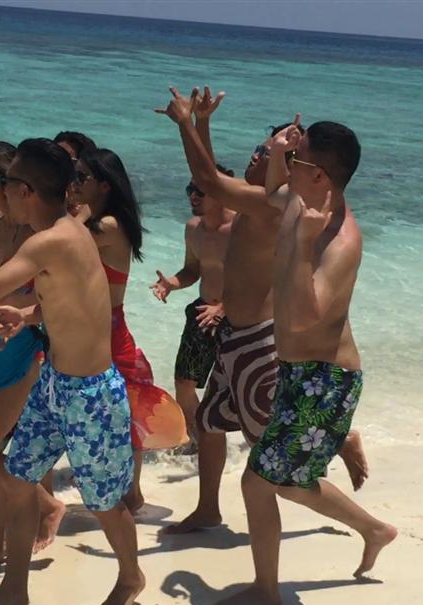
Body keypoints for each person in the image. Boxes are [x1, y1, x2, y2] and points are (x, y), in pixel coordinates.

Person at [157, 87, 368, 536]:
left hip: (258, 342)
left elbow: (211, 180)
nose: (259, 154)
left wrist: (188, 124)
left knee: (268, 459)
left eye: (268, 152)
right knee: (210, 423)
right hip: (232, 335)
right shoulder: (266, 200)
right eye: (262, 149)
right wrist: (202, 124)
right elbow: (213, 181)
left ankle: (353, 484)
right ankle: (209, 508)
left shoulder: (275, 207)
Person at [0, 138, 143, 605]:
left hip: (91, 394)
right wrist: (28, 315)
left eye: (9, 183)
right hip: (55, 384)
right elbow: (74, 300)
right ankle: (14, 589)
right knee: (19, 480)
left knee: (104, 502)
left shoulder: (51, 239)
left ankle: (130, 577)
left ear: (26, 191)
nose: (4, 191)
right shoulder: (66, 233)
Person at [216, 119, 397, 605]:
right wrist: (278, 152)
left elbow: (304, 315)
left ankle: (266, 590)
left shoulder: (341, 241)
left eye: (298, 158)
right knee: (290, 482)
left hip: (326, 380)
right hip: (299, 373)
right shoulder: (302, 201)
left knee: (258, 482)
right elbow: (271, 190)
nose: (289, 164)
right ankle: (375, 530)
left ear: (320, 176)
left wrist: (301, 244)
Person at [0, 141, 65, 572]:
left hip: (21, 344)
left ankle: (47, 505)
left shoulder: (36, 235)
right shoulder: (0, 222)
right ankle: (0, 540)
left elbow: (2, 292)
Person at [75, 148, 187, 513]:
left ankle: (129, 494)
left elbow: (61, 243)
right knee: (117, 416)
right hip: (99, 330)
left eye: (81, 177)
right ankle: (127, 493)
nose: (74, 184)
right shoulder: (100, 222)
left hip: (106, 334)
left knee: (121, 416)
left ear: (104, 185)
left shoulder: (106, 226)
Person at [150, 166, 235, 456]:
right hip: (202, 314)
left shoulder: (241, 228)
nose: (193, 196)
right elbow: (192, 269)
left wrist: (223, 307)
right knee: (184, 382)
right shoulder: (193, 228)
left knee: (240, 391)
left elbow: (261, 279)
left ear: (220, 192)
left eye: (200, 190)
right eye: (190, 190)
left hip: (239, 318)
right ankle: (199, 445)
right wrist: (171, 284)